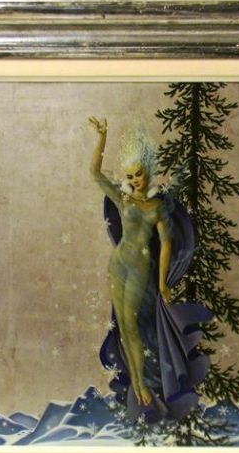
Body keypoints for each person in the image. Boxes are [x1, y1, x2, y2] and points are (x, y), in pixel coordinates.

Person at [89, 116, 212, 423]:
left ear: (148, 170)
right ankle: (137, 382)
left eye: (139, 173)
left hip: (141, 269)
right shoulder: (123, 199)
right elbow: (95, 173)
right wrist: (102, 138)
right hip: (119, 265)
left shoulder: (158, 207)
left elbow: (166, 244)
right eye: (130, 175)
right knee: (124, 325)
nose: (135, 180)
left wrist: (163, 283)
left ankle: (142, 383)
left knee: (134, 325)